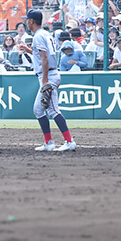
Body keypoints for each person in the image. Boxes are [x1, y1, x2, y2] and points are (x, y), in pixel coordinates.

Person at [21, 9, 75, 152]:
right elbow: (42, 57)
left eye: (27, 19)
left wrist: (45, 81)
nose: (26, 22)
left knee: (52, 110)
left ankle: (69, 141)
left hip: (48, 76)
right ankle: (49, 142)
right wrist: (28, 50)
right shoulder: (44, 34)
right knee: (39, 110)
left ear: (32, 21)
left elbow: (45, 59)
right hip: (50, 74)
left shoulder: (38, 36)